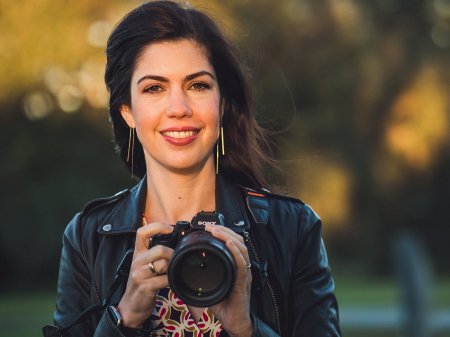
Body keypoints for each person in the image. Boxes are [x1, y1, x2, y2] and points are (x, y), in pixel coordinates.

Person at [48, 1, 341, 336]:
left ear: (223, 103)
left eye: (198, 85)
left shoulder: (293, 229)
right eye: (154, 88)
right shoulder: (87, 237)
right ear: (127, 111)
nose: (179, 108)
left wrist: (246, 329)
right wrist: (123, 317)